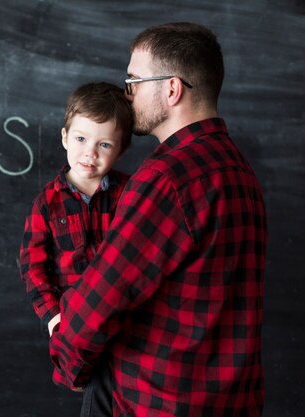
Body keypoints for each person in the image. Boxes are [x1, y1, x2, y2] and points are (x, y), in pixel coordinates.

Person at [49, 22, 267, 417]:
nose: (126, 93)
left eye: (133, 80)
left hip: (154, 403)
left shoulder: (168, 178)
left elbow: (104, 294)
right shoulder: (240, 171)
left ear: (171, 88)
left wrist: (69, 361)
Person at [19, 82, 132, 413]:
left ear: (121, 149)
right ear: (65, 137)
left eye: (104, 144)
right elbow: (32, 265)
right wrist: (54, 316)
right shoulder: (48, 203)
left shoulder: (131, 193)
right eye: (81, 139)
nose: (90, 153)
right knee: (95, 400)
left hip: (128, 325)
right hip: (79, 328)